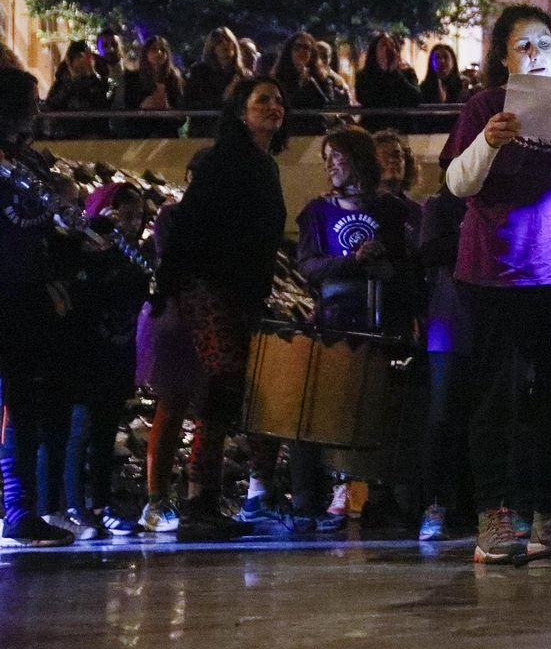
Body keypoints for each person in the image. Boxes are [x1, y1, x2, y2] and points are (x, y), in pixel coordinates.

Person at [442, 3, 551, 563]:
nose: (536, 55)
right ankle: (495, 517)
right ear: (502, 56)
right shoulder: (485, 107)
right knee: (497, 398)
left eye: (544, 45)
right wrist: (489, 142)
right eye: (523, 46)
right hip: (498, 273)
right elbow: (455, 182)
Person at [142, 77, 288, 535]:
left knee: (227, 389)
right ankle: (196, 498)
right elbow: (189, 228)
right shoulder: (224, 161)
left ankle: (205, 496)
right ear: (241, 112)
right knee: (223, 382)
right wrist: (172, 288)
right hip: (208, 286)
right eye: (262, 99)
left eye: (279, 99)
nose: (274, 106)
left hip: (239, 291)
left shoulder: (266, 166)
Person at [265, 126, 415, 530]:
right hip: (335, 327)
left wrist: (388, 270)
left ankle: (383, 497)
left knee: (381, 415)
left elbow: (413, 268)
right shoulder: (317, 212)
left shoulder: (395, 211)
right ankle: (307, 499)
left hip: (384, 327)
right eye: (326, 157)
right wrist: (353, 262)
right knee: (315, 412)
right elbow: (309, 265)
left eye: (338, 156)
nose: (330, 164)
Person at [0, 67, 76, 546]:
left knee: (24, 408)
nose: (38, 107)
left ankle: (20, 509)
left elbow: (49, 228)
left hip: (27, 300)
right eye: (30, 99)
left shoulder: (29, 164)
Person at [58, 183, 153, 539]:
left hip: (118, 352)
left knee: (103, 433)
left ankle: (99, 504)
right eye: (125, 216)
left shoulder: (134, 256)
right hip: (88, 355)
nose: (133, 224)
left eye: (138, 217)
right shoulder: (85, 252)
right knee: (79, 430)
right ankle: (73, 505)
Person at [416, 171, 473, 541]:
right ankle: (435, 504)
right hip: (449, 321)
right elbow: (429, 251)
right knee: (443, 417)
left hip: (488, 320)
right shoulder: (441, 204)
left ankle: (485, 505)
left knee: (493, 415)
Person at [273, 31, 351, 126]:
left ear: (312, 53)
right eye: (297, 47)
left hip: (315, 131)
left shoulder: (322, 79)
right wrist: (300, 85)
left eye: (306, 48)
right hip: (288, 130)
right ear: (289, 51)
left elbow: (328, 106)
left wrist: (310, 84)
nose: (302, 51)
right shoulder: (278, 79)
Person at [356, 32, 421, 130]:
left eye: (392, 45)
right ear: (374, 52)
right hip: (374, 129)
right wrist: (383, 71)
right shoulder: (364, 75)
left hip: (402, 129)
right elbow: (365, 98)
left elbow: (416, 98)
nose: (388, 49)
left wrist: (395, 74)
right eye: (383, 45)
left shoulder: (407, 72)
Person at [124, 36, 185, 134]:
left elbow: (182, 118)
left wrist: (167, 109)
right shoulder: (133, 78)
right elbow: (127, 114)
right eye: (154, 49)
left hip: (167, 135)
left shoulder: (174, 78)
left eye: (162, 50)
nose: (159, 53)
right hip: (141, 135)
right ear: (145, 53)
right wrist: (143, 108)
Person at [184, 27, 250, 110]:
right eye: (219, 42)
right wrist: (223, 98)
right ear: (212, 48)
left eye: (228, 40)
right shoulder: (199, 72)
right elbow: (189, 102)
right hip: (207, 121)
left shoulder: (244, 74)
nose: (225, 44)